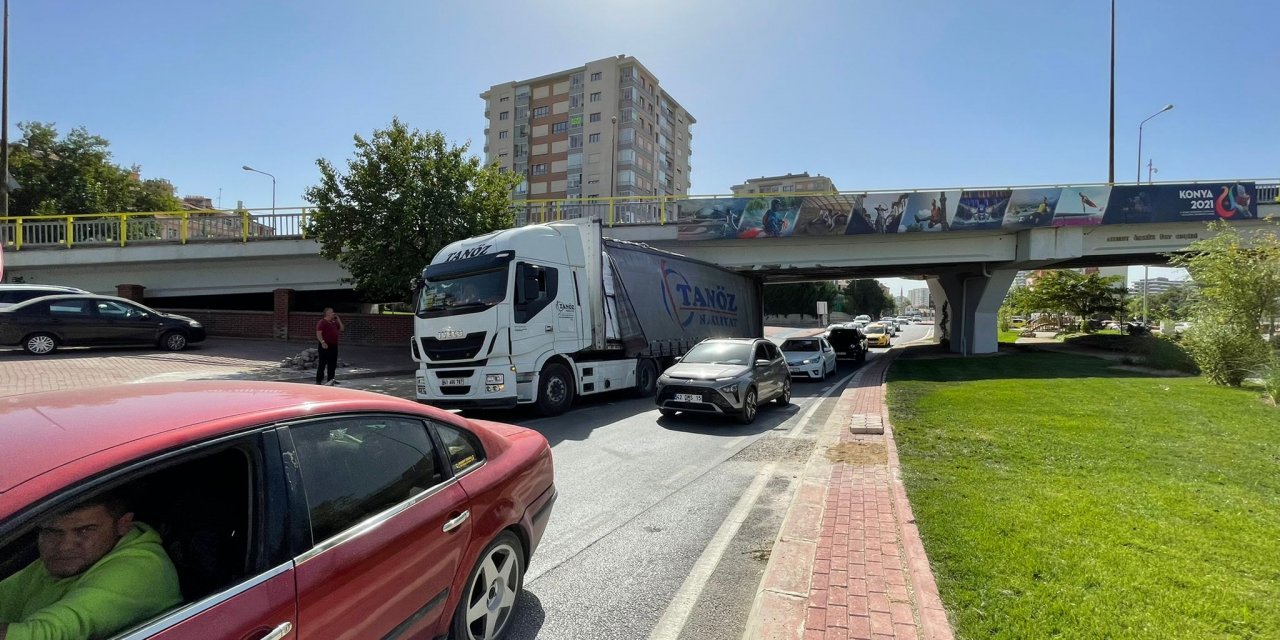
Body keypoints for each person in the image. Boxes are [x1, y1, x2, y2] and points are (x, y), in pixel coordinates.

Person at [0, 492, 181, 640]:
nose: (65, 546)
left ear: (123, 525)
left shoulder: (139, 571)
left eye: (85, 530)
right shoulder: (74, 558)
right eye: (52, 531)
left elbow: (45, 635)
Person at [315, 307, 344, 386]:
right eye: (332, 312)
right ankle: (319, 381)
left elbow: (342, 328)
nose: (333, 313)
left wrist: (338, 318)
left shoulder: (334, 322)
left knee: (332, 364)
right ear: (327, 314)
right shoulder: (322, 322)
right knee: (322, 364)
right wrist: (322, 342)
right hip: (325, 345)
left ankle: (330, 380)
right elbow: (318, 333)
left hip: (334, 346)